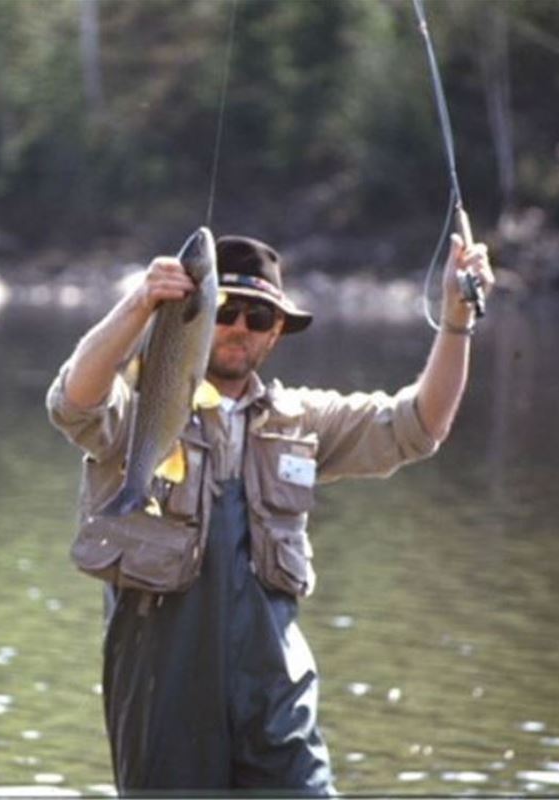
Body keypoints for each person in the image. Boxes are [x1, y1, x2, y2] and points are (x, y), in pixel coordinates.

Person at [46, 231, 494, 795]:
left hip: (276, 693)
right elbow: (72, 403)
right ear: (198, 315)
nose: (240, 327)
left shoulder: (300, 420)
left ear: (276, 332)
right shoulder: (141, 405)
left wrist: (456, 321)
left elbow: (420, 426)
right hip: (163, 687)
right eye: (227, 310)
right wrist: (138, 306)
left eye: (259, 317)